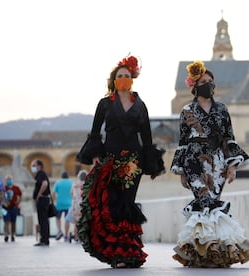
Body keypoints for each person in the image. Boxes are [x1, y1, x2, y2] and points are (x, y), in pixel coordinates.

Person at [76, 54, 165, 268]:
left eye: (127, 75)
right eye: (120, 76)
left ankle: (129, 253)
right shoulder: (105, 103)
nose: (123, 78)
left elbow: (147, 137)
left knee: (127, 203)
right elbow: (95, 132)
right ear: (114, 80)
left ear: (132, 78)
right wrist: (96, 155)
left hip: (134, 162)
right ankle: (117, 254)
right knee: (113, 204)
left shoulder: (140, 104)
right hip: (110, 159)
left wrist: (152, 165)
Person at [170, 60, 249, 268]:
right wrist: (181, 171)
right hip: (193, 162)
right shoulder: (187, 110)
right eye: (205, 81)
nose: (209, 84)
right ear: (195, 86)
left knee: (211, 203)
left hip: (217, 162)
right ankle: (210, 251)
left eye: (211, 81)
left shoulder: (222, 109)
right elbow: (182, 141)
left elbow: (229, 138)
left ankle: (204, 253)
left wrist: (232, 166)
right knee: (205, 201)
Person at [31, 159, 51, 246]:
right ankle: (44, 239)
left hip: (42, 200)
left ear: (39, 166)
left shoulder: (41, 174)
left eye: (34, 165)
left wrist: (39, 194)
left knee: (43, 220)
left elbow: (45, 184)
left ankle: (44, 239)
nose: (32, 167)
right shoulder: (40, 174)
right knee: (43, 220)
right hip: (44, 200)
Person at [66, 170, 87, 243]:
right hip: (84, 204)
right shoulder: (87, 184)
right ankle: (82, 236)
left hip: (75, 204)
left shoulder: (74, 184)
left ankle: (76, 236)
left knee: (76, 222)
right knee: (84, 221)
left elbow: (71, 193)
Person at [52, 171, 73, 242]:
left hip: (59, 204)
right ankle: (66, 235)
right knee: (67, 220)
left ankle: (59, 231)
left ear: (61, 176)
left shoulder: (58, 182)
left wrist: (53, 202)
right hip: (69, 204)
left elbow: (53, 193)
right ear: (68, 176)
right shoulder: (71, 182)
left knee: (58, 218)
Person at [2, 175, 22, 242]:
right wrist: (3, 202)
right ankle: (6, 235)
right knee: (6, 221)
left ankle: (12, 234)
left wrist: (18, 203)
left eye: (10, 179)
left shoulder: (16, 188)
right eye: (7, 179)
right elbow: (0, 196)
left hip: (14, 207)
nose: (9, 181)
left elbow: (20, 195)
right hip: (5, 208)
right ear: (5, 181)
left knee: (13, 222)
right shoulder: (3, 188)